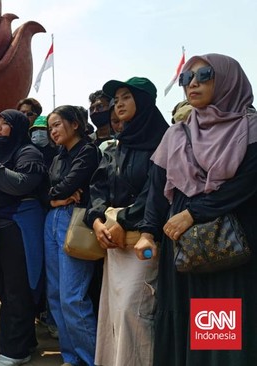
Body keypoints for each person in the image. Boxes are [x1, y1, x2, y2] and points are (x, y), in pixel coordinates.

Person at [134, 53, 257, 365]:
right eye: (186, 78)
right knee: (184, 318)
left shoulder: (251, 129)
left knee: (218, 324)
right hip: (181, 245)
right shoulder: (175, 134)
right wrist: (148, 233)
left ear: (228, 79)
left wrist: (193, 213)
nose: (193, 83)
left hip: (227, 242)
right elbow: (157, 191)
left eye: (205, 75)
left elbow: (245, 185)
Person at [85, 77, 168, 366]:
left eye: (126, 97)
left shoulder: (164, 140)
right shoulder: (117, 144)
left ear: (143, 101)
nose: (117, 104)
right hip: (113, 240)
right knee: (113, 313)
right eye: (116, 98)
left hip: (144, 242)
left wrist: (123, 218)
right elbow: (98, 188)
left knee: (136, 312)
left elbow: (157, 191)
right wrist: (96, 221)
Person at [0, 109, 47, 366]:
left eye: (5, 124)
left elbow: (21, 184)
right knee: (4, 287)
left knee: (19, 286)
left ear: (17, 129)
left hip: (20, 225)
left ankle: (16, 351)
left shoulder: (28, 153)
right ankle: (17, 340)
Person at [43, 105, 100, 366]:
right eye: (50, 127)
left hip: (75, 221)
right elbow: (47, 189)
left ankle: (91, 359)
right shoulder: (58, 157)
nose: (52, 131)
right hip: (53, 219)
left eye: (56, 124)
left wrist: (57, 194)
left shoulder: (88, 152)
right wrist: (55, 199)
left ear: (74, 124)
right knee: (55, 295)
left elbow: (69, 184)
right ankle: (71, 357)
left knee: (72, 297)